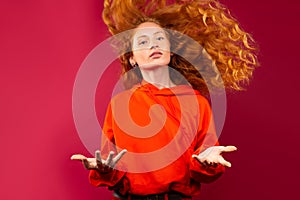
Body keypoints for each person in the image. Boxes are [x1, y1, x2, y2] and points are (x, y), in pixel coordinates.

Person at [71, 0, 259, 199]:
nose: (153, 44)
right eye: (143, 42)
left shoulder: (197, 103)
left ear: (171, 50)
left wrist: (208, 162)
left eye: (160, 39)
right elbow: (113, 164)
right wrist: (104, 169)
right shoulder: (121, 104)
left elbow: (204, 160)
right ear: (132, 58)